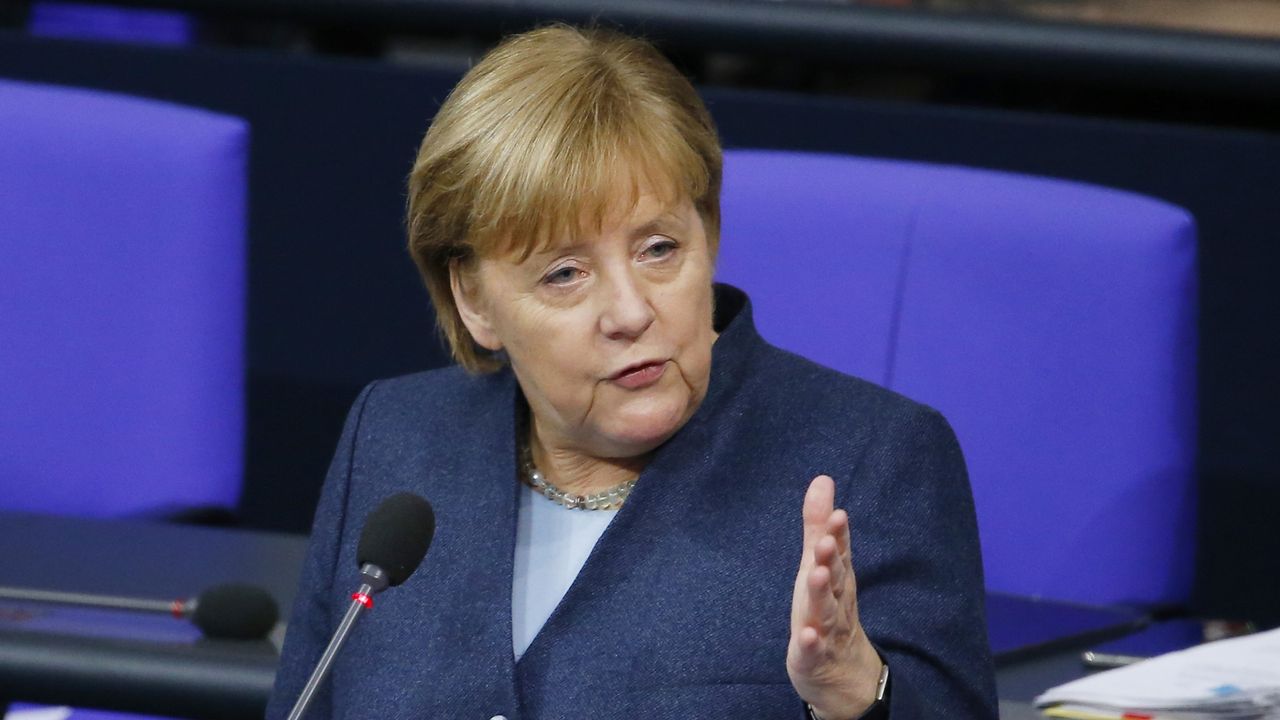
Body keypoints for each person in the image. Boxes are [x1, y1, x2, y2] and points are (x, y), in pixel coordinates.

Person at [267, 24, 996, 720]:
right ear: (474, 298)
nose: (628, 310)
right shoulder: (396, 443)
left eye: (657, 250)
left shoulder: (872, 461)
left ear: (707, 235)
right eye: (563, 273)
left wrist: (854, 695)